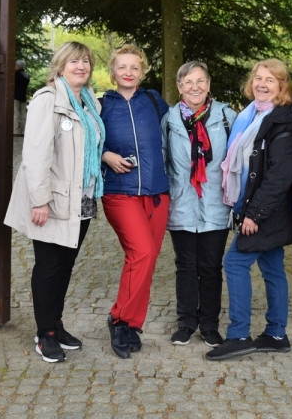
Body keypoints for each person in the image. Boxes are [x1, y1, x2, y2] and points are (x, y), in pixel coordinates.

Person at [3, 41, 105, 363]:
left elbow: (88, 150)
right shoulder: (47, 101)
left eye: (86, 61)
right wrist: (40, 201)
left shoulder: (89, 104)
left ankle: (56, 323)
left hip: (82, 200)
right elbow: (35, 155)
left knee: (65, 266)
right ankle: (44, 333)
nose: (81, 66)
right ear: (60, 66)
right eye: (74, 61)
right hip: (53, 200)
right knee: (48, 267)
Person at [205, 59, 292, 361]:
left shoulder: (281, 120)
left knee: (234, 263)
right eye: (258, 78)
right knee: (273, 267)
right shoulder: (251, 116)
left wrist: (253, 214)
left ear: (282, 86)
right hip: (265, 208)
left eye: (270, 80)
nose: (261, 84)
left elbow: (279, 174)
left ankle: (239, 335)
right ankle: (276, 335)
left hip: (268, 211)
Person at [99, 44, 170, 359]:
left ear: (143, 72)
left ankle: (131, 324)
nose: (128, 72)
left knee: (148, 259)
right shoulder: (100, 106)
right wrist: (105, 155)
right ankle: (119, 318)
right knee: (140, 252)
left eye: (134, 67)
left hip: (157, 193)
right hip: (120, 191)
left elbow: (179, 136)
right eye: (122, 67)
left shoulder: (154, 101)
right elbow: (86, 143)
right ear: (113, 71)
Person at [163, 61, 238, 348]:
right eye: (188, 82)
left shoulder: (227, 116)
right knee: (185, 266)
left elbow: (237, 163)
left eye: (200, 81)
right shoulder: (169, 120)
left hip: (216, 204)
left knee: (210, 267)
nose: (195, 87)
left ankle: (209, 324)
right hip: (181, 203)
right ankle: (186, 322)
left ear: (209, 84)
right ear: (179, 87)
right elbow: (163, 160)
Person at [13, 59, 30, 136]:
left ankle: (16, 131)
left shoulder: (15, 75)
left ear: (19, 66)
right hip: (23, 97)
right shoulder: (26, 76)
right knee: (23, 115)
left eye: (16, 65)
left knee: (16, 114)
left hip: (16, 97)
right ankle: (24, 131)